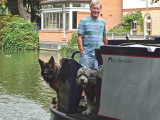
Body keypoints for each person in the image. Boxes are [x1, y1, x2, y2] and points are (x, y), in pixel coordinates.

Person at [77, 0, 108, 70]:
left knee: (97, 77)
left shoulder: (103, 22)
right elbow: (79, 38)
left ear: (100, 10)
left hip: (98, 55)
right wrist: (82, 52)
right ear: (90, 8)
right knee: (85, 77)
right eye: (94, 8)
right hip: (86, 56)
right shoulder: (83, 21)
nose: (96, 10)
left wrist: (107, 49)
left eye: (98, 9)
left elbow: (104, 37)